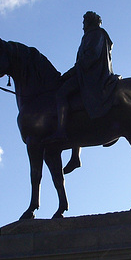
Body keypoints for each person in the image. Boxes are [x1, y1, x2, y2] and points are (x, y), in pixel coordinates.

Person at [45, 12, 120, 157]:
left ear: (89, 22)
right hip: (87, 74)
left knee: (61, 94)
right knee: (73, 101)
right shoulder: (93, 35)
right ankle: (75, 156)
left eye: (84, 22)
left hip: (91, 76)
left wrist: (69, 74)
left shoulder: (96, 34)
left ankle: (60, 131)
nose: (82, 26)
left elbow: (89, 58)